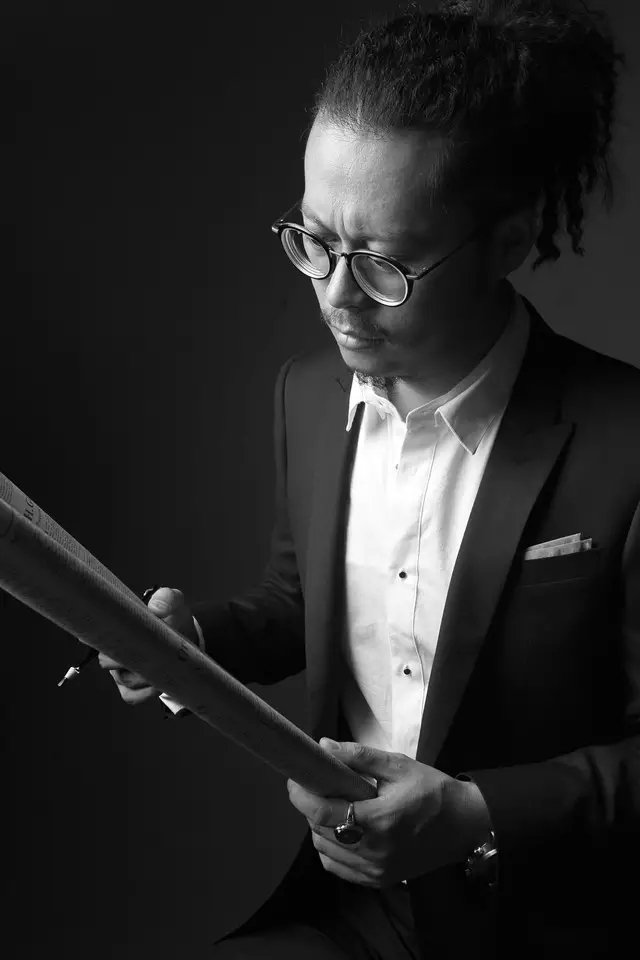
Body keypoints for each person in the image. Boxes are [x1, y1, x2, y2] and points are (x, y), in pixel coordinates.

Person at [100, 1, 640, 956]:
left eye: (385, 263)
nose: (336, 295)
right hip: (352, 909)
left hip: (550, 920)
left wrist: (476, 813)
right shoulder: (308, 395)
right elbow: (300, 603)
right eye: (313, 241)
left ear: (509, 243)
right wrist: (190, 643)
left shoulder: (624, 438)